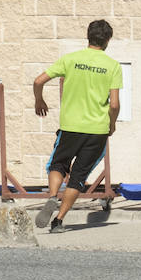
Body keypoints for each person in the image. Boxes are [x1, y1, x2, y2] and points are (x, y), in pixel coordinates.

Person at [32, 20, 123, 233]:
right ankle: (59, 221)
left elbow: (38, 81)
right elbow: (115, 104)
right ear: (108, 40)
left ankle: (53, 196)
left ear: (88, 36)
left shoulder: (70, 59)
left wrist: (39, 100)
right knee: (78, 177)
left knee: (58, 164)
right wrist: (112, 124)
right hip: (97, 130)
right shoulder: (113, 66)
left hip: (70, 126)